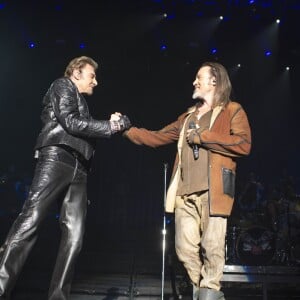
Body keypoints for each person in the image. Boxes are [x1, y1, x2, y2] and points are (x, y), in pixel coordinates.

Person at [0, 56, 131, 299]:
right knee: (31, 220)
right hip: (57, 158)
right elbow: (70, 122)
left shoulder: (80, 100)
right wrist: (110, 127)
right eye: (92, 76)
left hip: (79, 168)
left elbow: (84, 125)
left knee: (75, 235)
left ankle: (58, 296)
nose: (96, 81)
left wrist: (113, 124)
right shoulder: (62, 85)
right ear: (76, 72)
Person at [124, 62, 251, 300]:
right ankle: (202, 291)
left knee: (212, 248)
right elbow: (157, 137)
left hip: (215, 192)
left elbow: (243, 144)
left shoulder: (232, 110)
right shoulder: (187, 117)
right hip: (184, 193)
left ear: (214, 81)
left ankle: (209, 293)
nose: (194, 82)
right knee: (184, 250)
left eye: (198, 77)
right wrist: (127, 129)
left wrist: (203, 137)